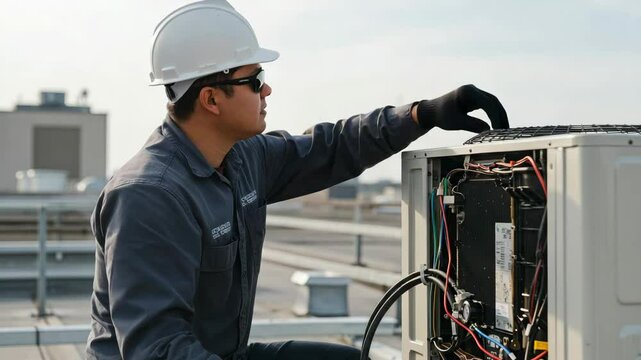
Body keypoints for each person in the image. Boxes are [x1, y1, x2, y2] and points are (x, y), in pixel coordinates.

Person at [86, 1, 509, 359]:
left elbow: (331, 148)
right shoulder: (149, 197)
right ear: (211, 98)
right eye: (254, 81)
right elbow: (157, 350)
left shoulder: (242, 159)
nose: (266, 92)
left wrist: (422, 114)